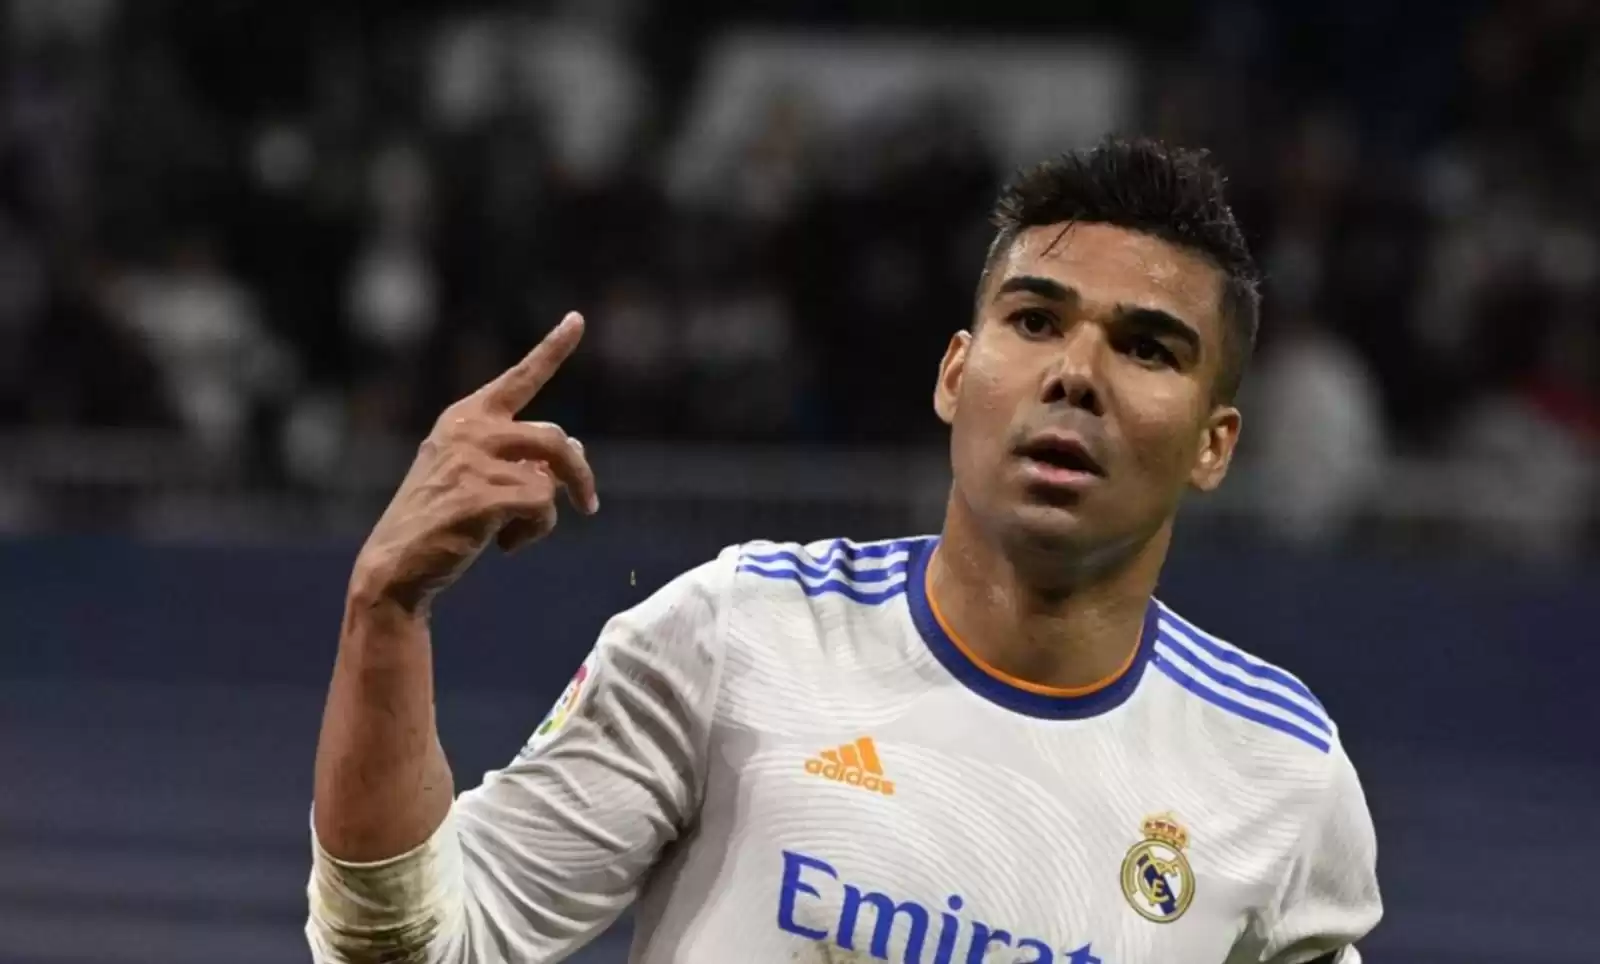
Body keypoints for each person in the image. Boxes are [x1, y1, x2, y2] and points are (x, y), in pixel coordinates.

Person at [306, 137, 1382, 964]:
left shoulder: (1280, 775)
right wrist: (383, 614)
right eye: (1035, 321)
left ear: (1213, 443)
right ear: (955, 375)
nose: (1076, 374)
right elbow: (418, 951)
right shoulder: (736, 635)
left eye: (1146, 347)